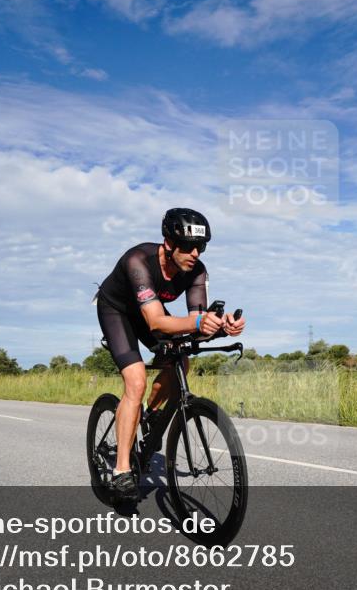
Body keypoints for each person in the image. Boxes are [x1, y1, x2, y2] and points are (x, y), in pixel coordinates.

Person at [95, 208, 245, 500]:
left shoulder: (196, 271)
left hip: (149, 312)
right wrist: (199, 323)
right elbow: (156, 322)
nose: (195, 253)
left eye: (201, 247)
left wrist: (222, 326)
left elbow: (197, 324)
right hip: (117, 311)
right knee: (136, 381)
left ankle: (150, 414)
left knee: (181, 362)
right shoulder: (138, 261)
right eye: (188, 246)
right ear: (168, 243)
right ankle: (122, 470)